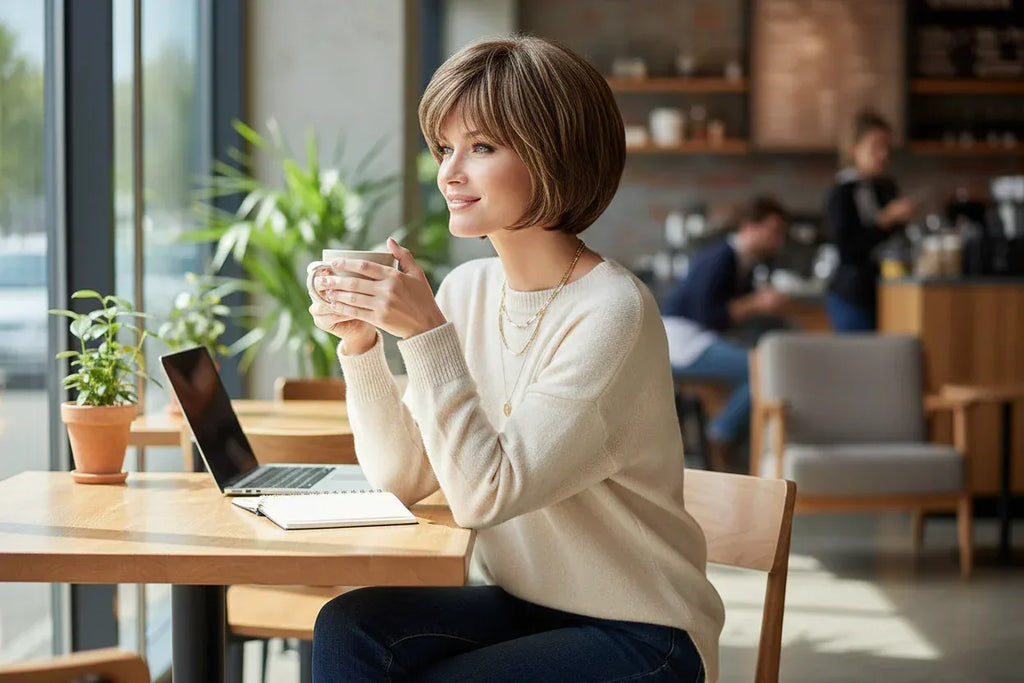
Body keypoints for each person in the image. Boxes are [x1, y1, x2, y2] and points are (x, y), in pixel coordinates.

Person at [307, 36, 724, 682]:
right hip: (525, 604)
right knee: (350, 627)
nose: (450, 172)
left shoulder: (612, 311)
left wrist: (424, 334)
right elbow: (403, 476)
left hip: (645, 634)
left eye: (480, 147)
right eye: (445, 148)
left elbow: (485, 493)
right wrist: (361, 344)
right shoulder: (466, 293)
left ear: (552, 153)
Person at [660, 196, 790, 471]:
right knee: (761, 369)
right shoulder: (720, 257)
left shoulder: (742, 261)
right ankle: (722, 431)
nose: (778, 241)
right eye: (773, 231)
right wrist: (756, 304)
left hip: (695, 337)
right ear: (749, 227)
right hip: (682, 341)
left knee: (760, 362)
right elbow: (708, 315)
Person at [825, 109, 917, 331]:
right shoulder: (841, 193)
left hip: (891, 292)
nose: (883, 154)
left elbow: (897, 241)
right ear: (854, 148)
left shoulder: (886, 187)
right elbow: (847, 250)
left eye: (887, 147)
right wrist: (885, 219)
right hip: (853, 297)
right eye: (875, 146)